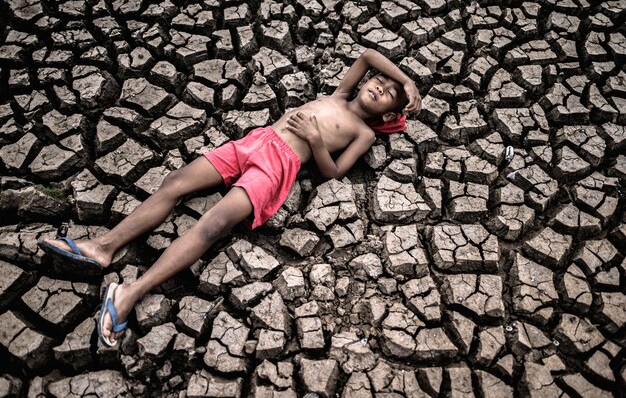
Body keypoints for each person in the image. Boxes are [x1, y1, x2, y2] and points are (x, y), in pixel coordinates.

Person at [37, 47, 422, 347]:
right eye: (381, 82)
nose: (380, 87)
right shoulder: (339, 93)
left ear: (389, 116)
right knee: (174, 183)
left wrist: (316, 140)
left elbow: (333, 172)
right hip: (254, 142)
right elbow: (368, 57)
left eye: (389, 94)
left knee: (215, 224)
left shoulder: (363, 131)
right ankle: (103, 247)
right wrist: (406, 82)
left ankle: (130, 293)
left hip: (278, 168)